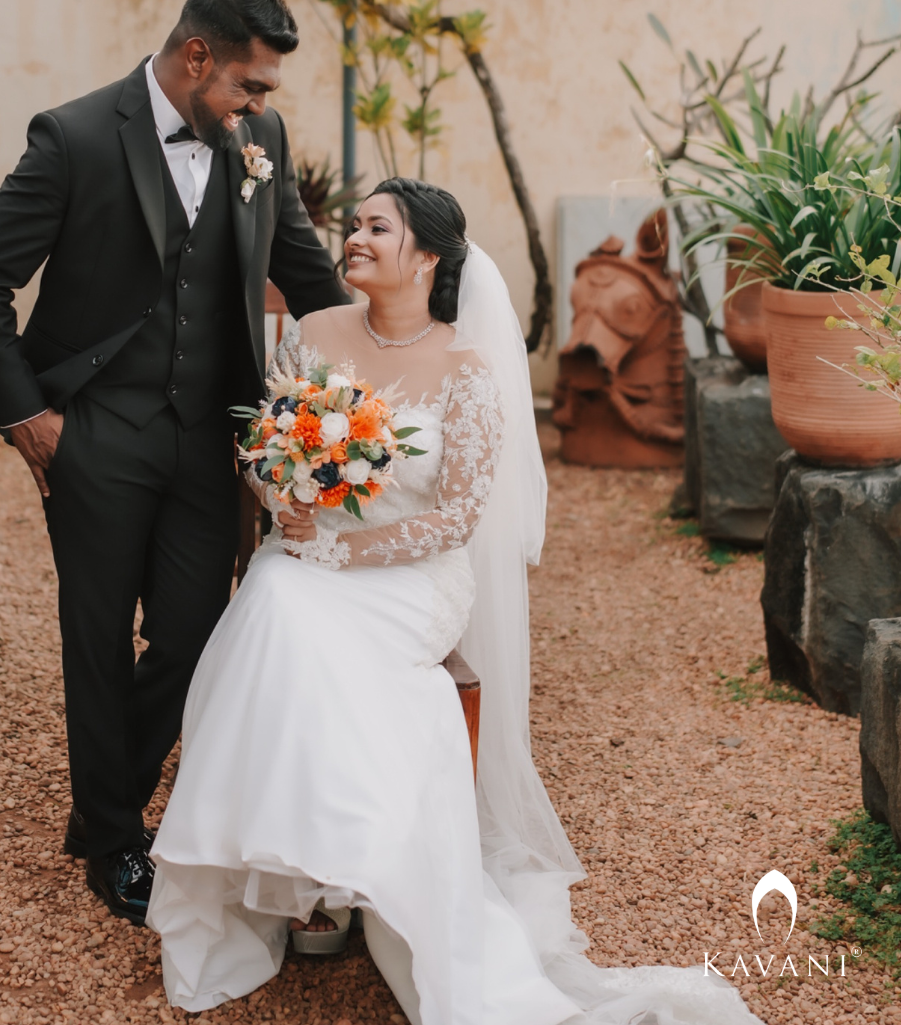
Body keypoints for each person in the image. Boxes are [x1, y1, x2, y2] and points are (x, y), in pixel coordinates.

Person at [146, 178, 766, 1024]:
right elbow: (260, 446)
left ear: (427, 255)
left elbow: (457, 517)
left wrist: (348, 548)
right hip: (307, 555)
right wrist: (277, 491)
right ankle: (293, 878)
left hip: (408, 578)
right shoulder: (312, 332)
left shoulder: (468, 369)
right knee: (278, 607)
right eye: (354, 224)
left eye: (376, 227)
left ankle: (348, 876)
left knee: (297, 615)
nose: (354, 238)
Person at [0, 0, 349, 926]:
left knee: (193, 635)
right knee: (94, 639)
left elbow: (303, 270)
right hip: (96, 432)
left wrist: (404, 343)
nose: (258, 111)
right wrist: (27, 419)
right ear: (196, 57)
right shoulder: (76, 137)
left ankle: (103, 806)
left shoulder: (261, 143)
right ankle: (117, 838)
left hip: (215, 437)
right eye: (249, 88)